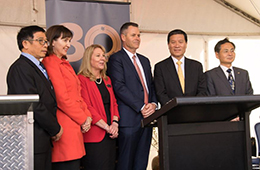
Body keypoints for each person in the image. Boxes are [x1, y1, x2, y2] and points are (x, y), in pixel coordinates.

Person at [6, 25, 63, 170]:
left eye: (46, 41)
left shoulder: (37, 66)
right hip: (31, 138)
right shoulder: (21, 68)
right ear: (25, 44)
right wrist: (54, 128)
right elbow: (32, 104)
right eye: (40, 41)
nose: (45, 45)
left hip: (41, 137)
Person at [107, 22, 158, 170]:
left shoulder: (144, 60)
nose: (137, 38)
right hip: (129, 120)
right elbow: (119, 87)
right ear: (123, 37)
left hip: (147, 119)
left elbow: (151, 86)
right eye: (133, 35)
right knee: (126, 162)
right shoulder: (116, 59)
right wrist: (141, 106)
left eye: (139, 35)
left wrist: (153, 104)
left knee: (141, 162)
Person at [42, 25, 92, 170]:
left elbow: (78, 94)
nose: (69, 45)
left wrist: (87, 116)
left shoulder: (65, 63)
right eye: (64, 40)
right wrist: (83, 118)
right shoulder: (50, 62)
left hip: (74, 125)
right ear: (52, 42)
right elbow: (61, 98)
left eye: (69, 40)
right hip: (64, 126)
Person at [78, 44, 120, 170]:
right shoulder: (81, 79)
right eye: (98, 56)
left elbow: (114, 103)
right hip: (95, 136)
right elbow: (87, 107)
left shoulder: (107, 79)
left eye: (103, 55)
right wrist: (106, 127)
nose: (102, 58)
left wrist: (115, 124)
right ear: (88, 59)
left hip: (111, 135)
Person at [154, 29, 207, 106]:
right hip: (171, 112)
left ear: (186, 44)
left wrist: (193, 106)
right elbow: (160, 93)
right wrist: (174, 107)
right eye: (173, 42)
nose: (177, 45)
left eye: (180, 42)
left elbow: (202, 91)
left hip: (194, 111)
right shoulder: (160, 67)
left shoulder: (196, 66)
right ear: (168, 44)